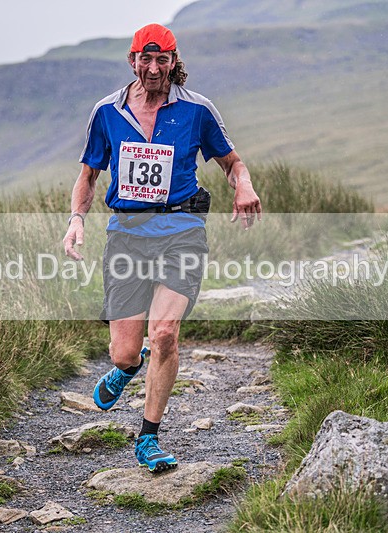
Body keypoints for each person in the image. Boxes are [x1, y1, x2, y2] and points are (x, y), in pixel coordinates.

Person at [63, 23, 261, 473]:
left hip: (182, 232)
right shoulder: (107, 112)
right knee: (125, 352)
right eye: (145, 60)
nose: (154, 69)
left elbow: (233, 163)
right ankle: (127, 369)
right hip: (127, 237)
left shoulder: (197, 110)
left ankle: (148, 437)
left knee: (166, 333)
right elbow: (89, 176)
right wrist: (76, 220)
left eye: (163, 60)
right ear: (133, 61)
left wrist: (243, 186)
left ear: (174, 62)